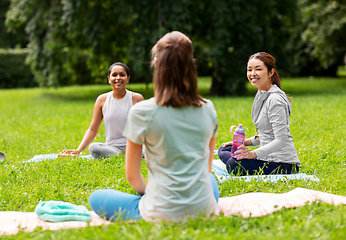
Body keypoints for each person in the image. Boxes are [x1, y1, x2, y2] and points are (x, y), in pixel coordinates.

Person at [88, 31, 220, 222]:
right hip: (204, 209)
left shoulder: (142, 111)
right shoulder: (208, 108)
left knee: (96, 197)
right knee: (210, 180)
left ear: (156, 64)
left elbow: (133, 176)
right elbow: (206, 168)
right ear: (191, 65)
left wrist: (155, 197)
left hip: (159, 210)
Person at [218, 52, 301, 176]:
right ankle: (241, 158)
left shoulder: (275, 100)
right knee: (224, 149)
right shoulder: (261, 94)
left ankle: (242, 161)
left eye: (258, 69)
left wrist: (252, 154)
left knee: (233, 164)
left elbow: (281, 140)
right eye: (249, 69)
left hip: (282, 163)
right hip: (265, 157)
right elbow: (266, 136)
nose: (252, 74)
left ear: (270, 72)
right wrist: (242, 143)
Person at [60, 62, 144, 159]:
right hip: (112, 148)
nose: (118, 78)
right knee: (94, 147)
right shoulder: (102, 100)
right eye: (114, 75)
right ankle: (122, 156)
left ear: (128, 78)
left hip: (134, 146)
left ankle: (127, 156)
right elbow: (93, 129)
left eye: (122, 75)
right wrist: (78, 150)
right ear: (109, 79)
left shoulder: (136, 98)